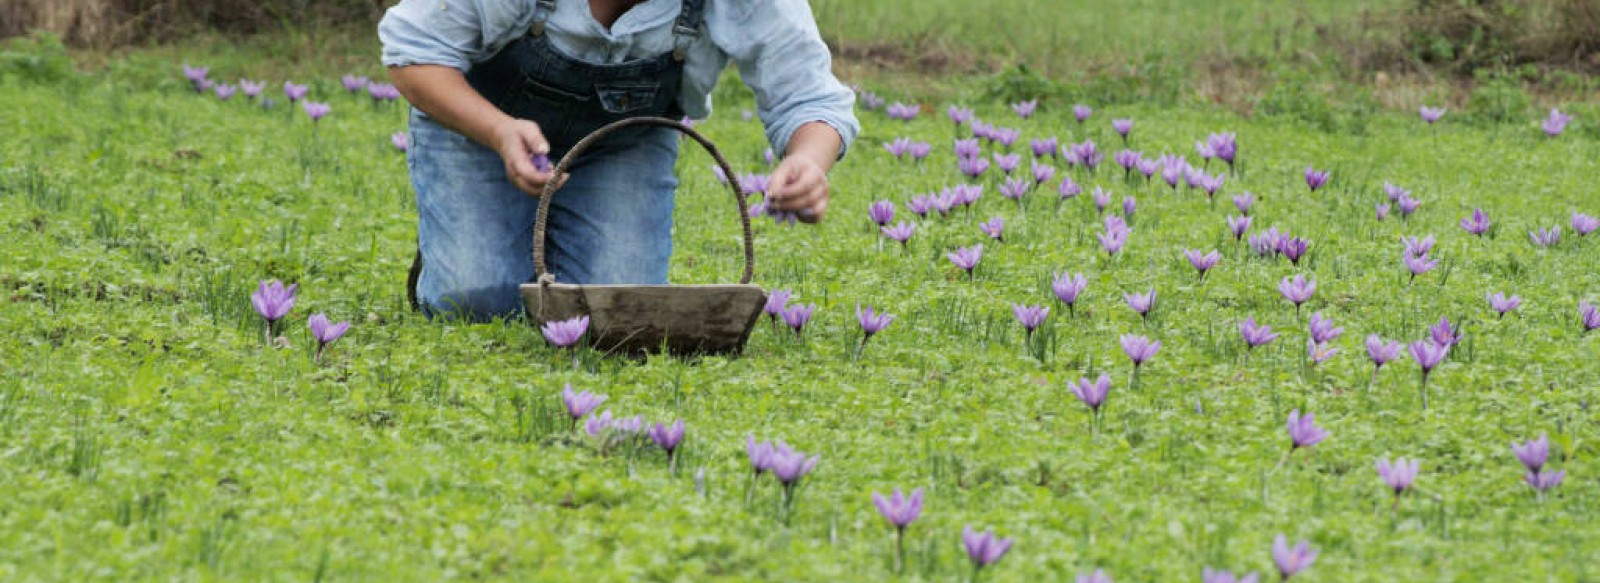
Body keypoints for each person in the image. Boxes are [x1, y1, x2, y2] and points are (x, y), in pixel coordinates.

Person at [379, 0, 860, 320]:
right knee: (477, 300)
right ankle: (464, 249)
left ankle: (535, 242)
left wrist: (810, 160)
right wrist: (499, 131)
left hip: (623, 144)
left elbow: (810, 98)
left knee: (618, 314)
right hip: (481, 127)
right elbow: (413, 55)